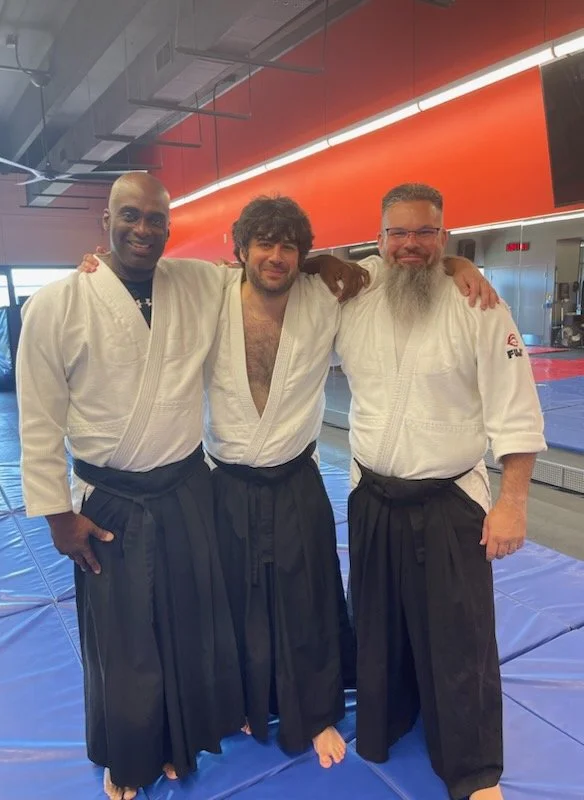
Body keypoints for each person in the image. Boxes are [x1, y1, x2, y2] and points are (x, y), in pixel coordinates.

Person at [203, 195, 499, 769]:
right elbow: (153, 279)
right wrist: (96, 261)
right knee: (233, 600)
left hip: (295, 475)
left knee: (309, 598)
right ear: (239, 249)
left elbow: (401, 262)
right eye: (264, 244)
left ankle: (315, 715)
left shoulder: (328, 294)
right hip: (227, 479)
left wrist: (458, 264)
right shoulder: (208, 294)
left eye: (289, 246)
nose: (276, 256)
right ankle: (244, 701)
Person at [16, 173, 247, 800]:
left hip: (184, 486)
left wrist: (347, 267)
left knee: (188, 623)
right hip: (109, 498)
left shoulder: (197, 283)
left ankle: (178, 741)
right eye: (129, 215)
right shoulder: (56, 305)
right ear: (106, 221)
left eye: (155, 218)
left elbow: (266, 266)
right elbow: (37, 420)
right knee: (125, 642)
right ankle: (130, 757)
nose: (143, 229)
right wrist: (58, 516)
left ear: (170, 225)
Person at [335, 183, 546, 800]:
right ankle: (389, 719)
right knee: (378, 624)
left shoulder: (477, 304)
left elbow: (515, 407)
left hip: (450, 500)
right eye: (397, 233)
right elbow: (297, 275)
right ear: (378, 239)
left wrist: (512, 501)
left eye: (425, 233)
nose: (410, 245)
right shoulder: (354, 293)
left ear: (443, 238)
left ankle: (474, 768)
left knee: (460, 635)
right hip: (371, 494)